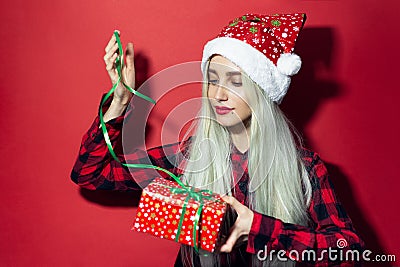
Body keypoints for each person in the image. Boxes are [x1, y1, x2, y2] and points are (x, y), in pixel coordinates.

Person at [71, 13, 364, 266]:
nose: (218, 94)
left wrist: (260, 230)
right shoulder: (190, 156)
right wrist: (120, 101)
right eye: (212, 79)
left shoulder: (306, 169)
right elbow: (90, 174)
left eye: (235, 82)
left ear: (262, 91)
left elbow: (351, 252)